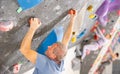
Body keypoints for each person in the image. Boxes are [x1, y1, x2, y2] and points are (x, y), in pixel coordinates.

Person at [19, 9, 76, 74]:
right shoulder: (60, 58)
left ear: (53, 56)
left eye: (50, 48)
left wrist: (32, 28)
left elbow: (24, 50)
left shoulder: (46, 66)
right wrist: (72, 19)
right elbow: (66, 39)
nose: (48, 46)